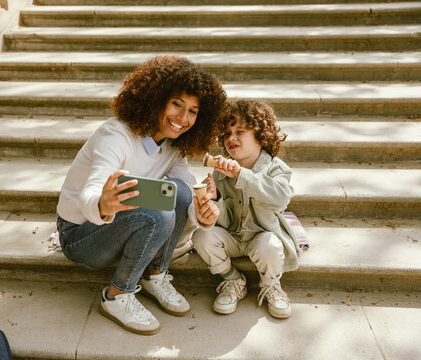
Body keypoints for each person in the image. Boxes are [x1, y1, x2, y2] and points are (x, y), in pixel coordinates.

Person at [56, 56, 226, 335]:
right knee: (156, 209)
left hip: (121, 225)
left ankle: (154, 275)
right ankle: (116, 296)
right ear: (155, 98)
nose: (183, 119)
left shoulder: (172, 145)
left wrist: (204, 212)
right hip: (80, 235)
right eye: (176, 104)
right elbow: (93, 188)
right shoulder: (116, 134)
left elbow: (187, 197)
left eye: (193, 111)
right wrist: (102, 203)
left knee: (180, 192)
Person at [192, 100, 301, 319]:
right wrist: (215, 199)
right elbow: (221, 221)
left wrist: (242, 175)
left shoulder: (276, 168)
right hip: (233, 236)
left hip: (261, 235)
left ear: (261, 136)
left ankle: (270, 284)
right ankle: (233, 280)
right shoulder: (221, 172)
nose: (231, 138)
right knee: (202, 236)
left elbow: (280, 198)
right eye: (226, 134)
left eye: (240, 132)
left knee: (270, 245)